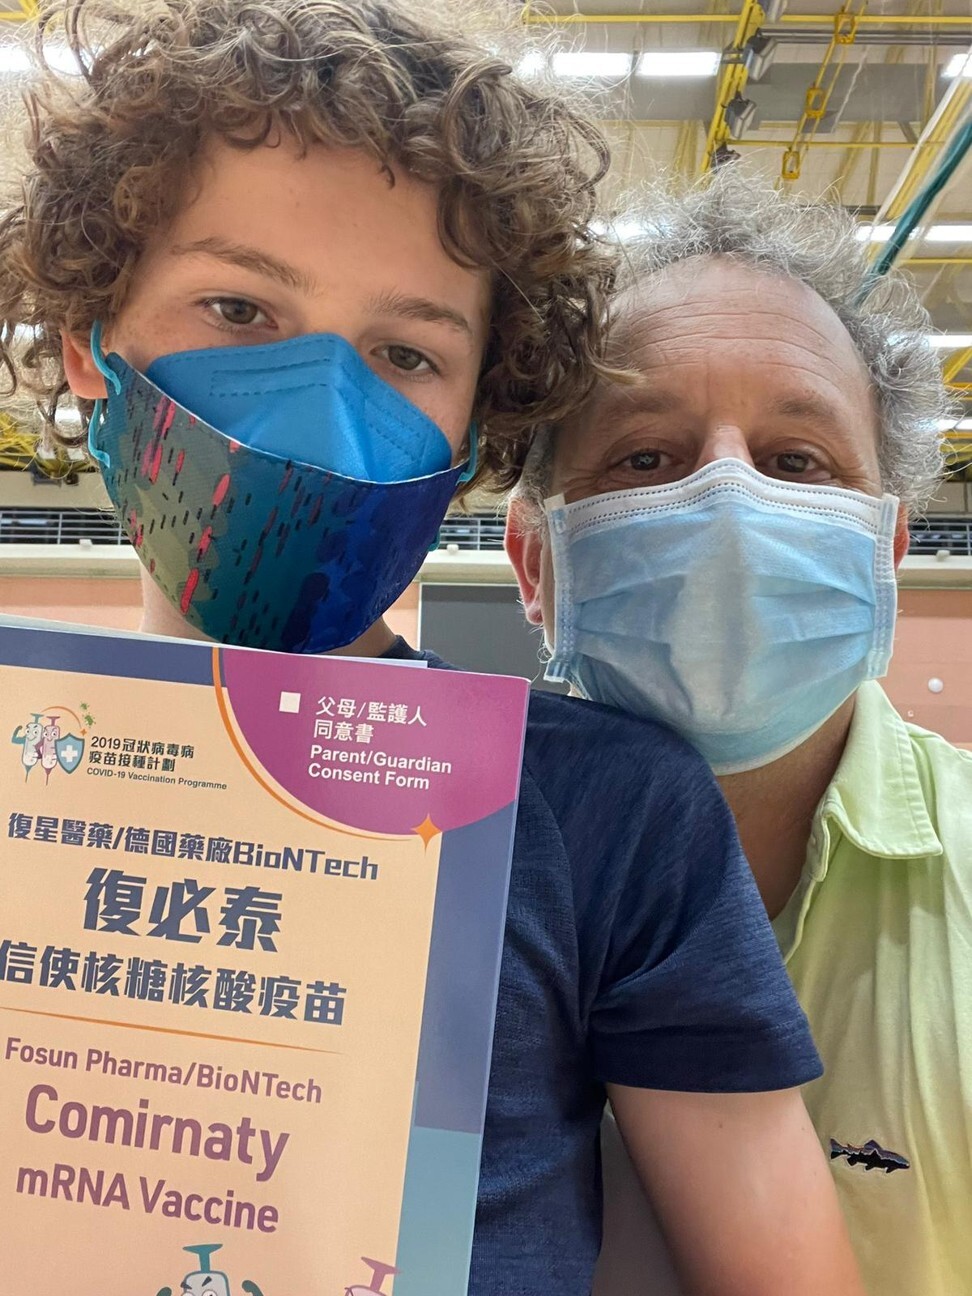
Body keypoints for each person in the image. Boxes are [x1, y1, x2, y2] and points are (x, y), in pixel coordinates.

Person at [0, 6, 864, 1293]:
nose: (319, 408)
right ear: (91, 348)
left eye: (407, 353)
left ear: (472, 438)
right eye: (239, 307)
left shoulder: (604, 809)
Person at [506, 170, 969, 1296]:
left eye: (797, 462)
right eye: (646, 459)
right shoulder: (431, 863)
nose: (728, 504)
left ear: (885, 547)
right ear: (536, 562)